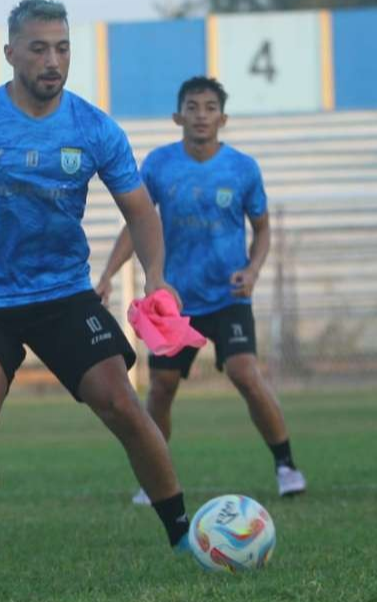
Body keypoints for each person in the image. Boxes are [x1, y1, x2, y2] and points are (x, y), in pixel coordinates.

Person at [0, 0, 190, 563]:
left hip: (62, 294)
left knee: (123, 406)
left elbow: (140, 211)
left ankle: (185, 536)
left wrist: (157, 278)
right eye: (38, 48)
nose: (52, 60)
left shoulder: (93, 128)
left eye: (61, 48)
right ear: (10, 52)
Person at [95, 76, 306, 505]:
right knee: (161, 388)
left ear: (223, 118)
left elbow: (262, 230)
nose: (201, 116)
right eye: (192, 107)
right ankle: (153, 477)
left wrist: (253, 269)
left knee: (246, 374)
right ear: (178, 116)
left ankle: (286, 465)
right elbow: (137, 223)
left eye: (210, 108)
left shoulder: (243, 169)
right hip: (174, 302)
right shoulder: (158, 165)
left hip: (228, 297)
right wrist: (108, 274)